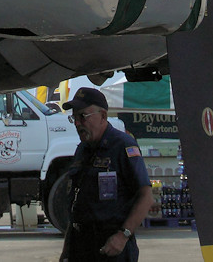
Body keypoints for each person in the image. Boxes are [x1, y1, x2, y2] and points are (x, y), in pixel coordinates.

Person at [60, 87, 152, 261]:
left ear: (103, 116)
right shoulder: (82, 150)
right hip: (81, 245)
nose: (78, 123)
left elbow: (146, 196)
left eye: (83, 116)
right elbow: (76, 205)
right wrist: (67, 251)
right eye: (74, 117)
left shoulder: (123, 146)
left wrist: (123, 235)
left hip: (111, 245)